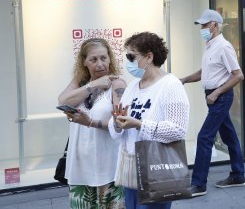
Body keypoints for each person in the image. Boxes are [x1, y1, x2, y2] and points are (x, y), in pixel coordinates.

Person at [109, 32, 190, 209]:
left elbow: (177, 129)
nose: (128, 61)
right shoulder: (132, 86)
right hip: (130, 166)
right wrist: (116, 123)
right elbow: (117, 126)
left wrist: (139, 124)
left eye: (132, 56)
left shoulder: (171, 85)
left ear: (149, 57)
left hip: (156, 167)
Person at [180, 9, 245, 197]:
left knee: (204, 137)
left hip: (220, 97)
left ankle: (198, 184)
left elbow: (238, 75)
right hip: (214, 97)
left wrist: (216, 93)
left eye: (204, 25)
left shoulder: (224, 47)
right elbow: (205, 72)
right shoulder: (210, 46)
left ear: (215, 25)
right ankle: (238, 175)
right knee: (230, 136)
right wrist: (184, 79)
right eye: (201, 25)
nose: (202, 28)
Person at [58, 38, 127, 208]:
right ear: (84, 62)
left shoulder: (117, 84)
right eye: (93, 59)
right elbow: (62, 101)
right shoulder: (80, 82)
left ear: (110, 58)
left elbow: (120, 123)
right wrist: (93, 84)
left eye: (104, 58)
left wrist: (90, 122)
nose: (100, 64)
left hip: (108, 166)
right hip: (80, 166)